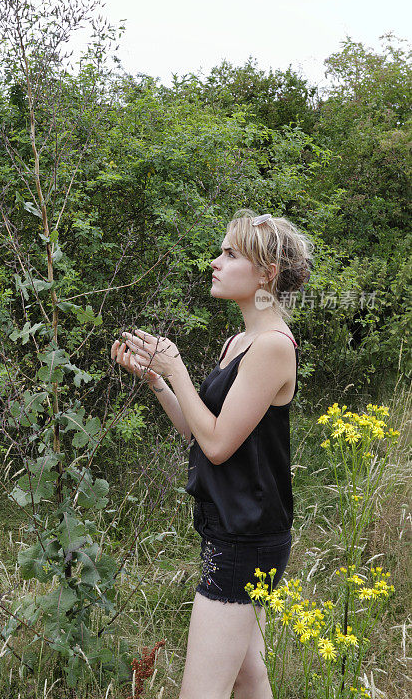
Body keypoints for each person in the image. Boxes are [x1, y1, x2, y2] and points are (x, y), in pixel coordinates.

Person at [110, 209, 314, 699]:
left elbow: (219, 447)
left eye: (230, 254)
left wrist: (178, 368)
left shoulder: (271, 346)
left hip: (245, 537)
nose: (215, 263)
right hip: (231, 525)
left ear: (266, 273)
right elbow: (202, 434)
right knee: (249, 678)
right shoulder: (237, 342)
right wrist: (159, 381)